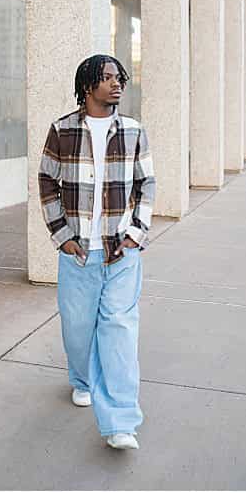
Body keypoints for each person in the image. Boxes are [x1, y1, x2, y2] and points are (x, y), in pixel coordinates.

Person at [37, 54, 154, 451]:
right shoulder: (62, 130)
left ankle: (121, 421)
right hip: (78, 253)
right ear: (88, 86)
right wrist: (61, 234)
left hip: (121, 253)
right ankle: (82, 379)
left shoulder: (134, 130)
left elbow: (146, 185)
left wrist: (136, 234)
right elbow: (47, 180)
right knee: (78, 327)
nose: (116, 84)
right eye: (106, 78)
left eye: (119, 77)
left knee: (119, 329)